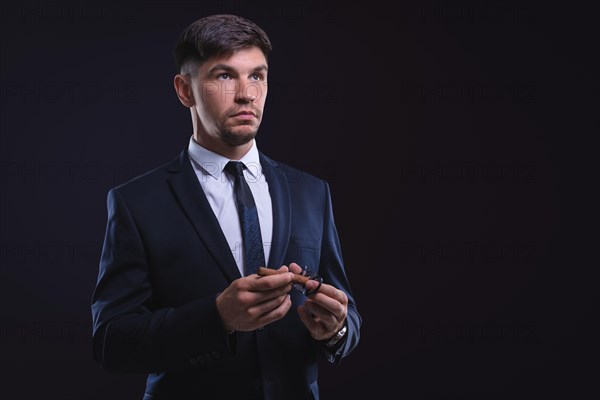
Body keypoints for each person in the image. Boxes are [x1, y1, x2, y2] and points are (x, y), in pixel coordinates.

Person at [91, 14, 361, 400]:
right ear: (185, 91)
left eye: (257, 76)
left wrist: (336, 329)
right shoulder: (136, 202)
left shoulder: (311, 192)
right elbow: (111, 342)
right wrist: (217, 317)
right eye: (224, 76)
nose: (247, 94)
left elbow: (348, 316)